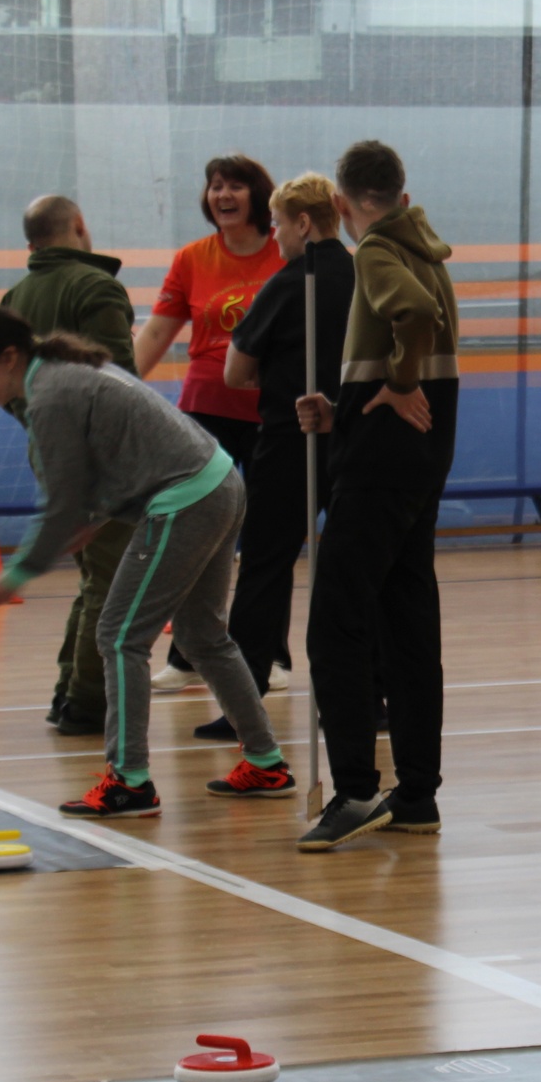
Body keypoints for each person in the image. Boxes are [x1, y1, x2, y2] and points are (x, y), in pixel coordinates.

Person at [0, 308, 294, 814]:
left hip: (187, 497)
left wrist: (21, 570)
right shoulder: (58, 378)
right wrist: (93, 513)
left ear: (8, 358)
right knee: (202, 636)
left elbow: (62, 503)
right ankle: (267, 763)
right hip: (219, 481)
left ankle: (130, 781)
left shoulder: (51, 392)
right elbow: (103, 469)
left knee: (119, 636)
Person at [294, 140, 460, 853]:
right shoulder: (425, 246)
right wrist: (345, 407)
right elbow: (417, 323)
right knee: (406, 617)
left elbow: (413, 316)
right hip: (419, 450)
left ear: (341, 203)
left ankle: (357, 789)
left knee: (335, 623)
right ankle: (416, 791)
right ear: (402, 188)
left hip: (384, 456)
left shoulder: (374, 252)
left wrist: (394, 385)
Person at [209, 171, 355, 741]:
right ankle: (368, 699)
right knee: (356, 570)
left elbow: (234, 371)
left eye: (278, 225)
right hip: (353, 441)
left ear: (302, 222)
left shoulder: (288, 282)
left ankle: (243, 706)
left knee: (265, 567)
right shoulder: (365, 275)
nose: (277, 237)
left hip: (289, 441)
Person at [134, 153, 284, 688]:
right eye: (215, 186)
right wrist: (120, 388)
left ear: (258, 196)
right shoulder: (192, 259)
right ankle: (186, 656)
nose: (222, 195)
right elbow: (155, 334)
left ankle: (271, 654)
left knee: (269, 536)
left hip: (273, 413)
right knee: (196, 533)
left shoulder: (286, 255)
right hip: (204, 412)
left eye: (235, 186)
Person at [0, 194, 137, 738]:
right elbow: (117, 383)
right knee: (110, 581)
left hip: (49, 452)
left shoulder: (14, 298)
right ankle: (86, 700)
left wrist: (41, 430)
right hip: (101, 459)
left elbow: (10, 387)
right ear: (80, 226)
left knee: (93, 577)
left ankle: (69, 691)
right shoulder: (97, 287)